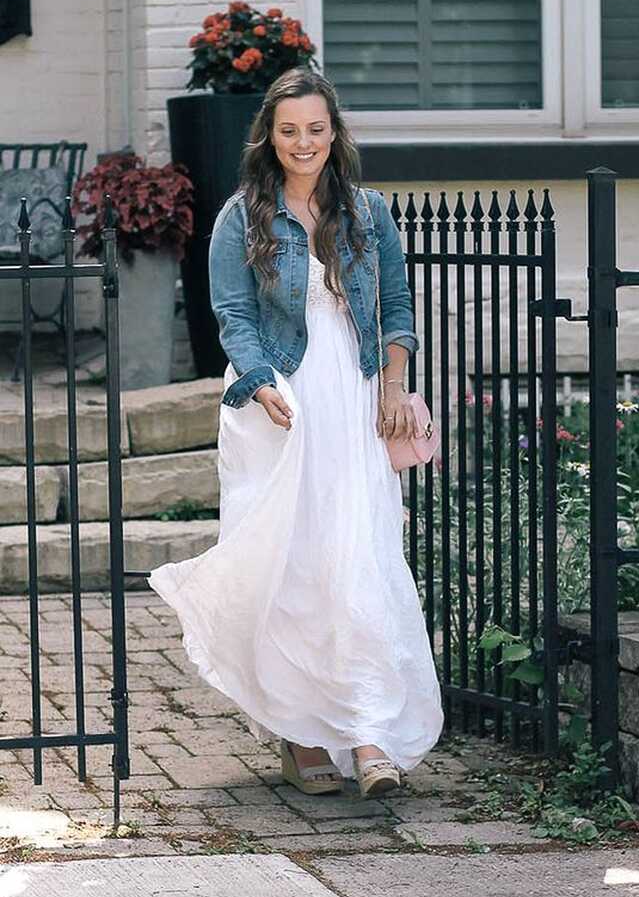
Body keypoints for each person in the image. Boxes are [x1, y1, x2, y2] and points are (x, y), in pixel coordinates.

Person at [147, 67, 445, 799]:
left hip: (352, 391)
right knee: (296, 562)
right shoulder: (241, 216)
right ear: (269, 138)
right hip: (279, 397)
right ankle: (303, 734)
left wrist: (394, 384)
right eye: (288, 131)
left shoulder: (369, 213)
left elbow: (397, 307)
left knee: (361, 555)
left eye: (315, 129)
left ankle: (369, 733)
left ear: (334, 132)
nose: (303, 142)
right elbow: (232, 315)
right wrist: (262, 383)